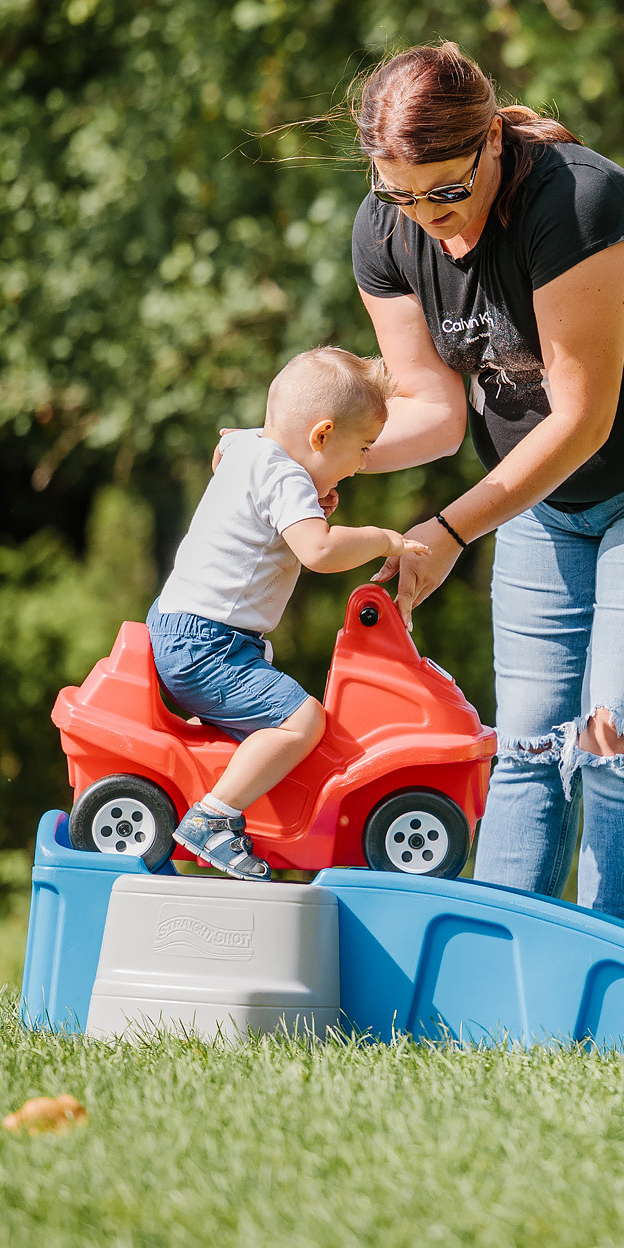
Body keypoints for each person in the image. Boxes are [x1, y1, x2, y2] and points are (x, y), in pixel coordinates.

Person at [343, 41, 624, 931]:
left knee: (615, 741)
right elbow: (435, 412)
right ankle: (504, 978)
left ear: (491, 143)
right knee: (530, 747)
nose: (430, 219)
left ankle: (608, 985)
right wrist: (311, 463)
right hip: (546, 496)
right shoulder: (385, 230)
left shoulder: (578, 204)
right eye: (402, 194)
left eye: (447, 191)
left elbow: (581, 421)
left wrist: (449, 530)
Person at [149, 347, 428, 880]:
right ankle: (212, 819)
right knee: (303, 721)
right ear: (321, 436)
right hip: (209, 646)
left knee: (276, 716)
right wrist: (381, 538)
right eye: (362, 449)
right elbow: (318, 551)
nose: (362, 464)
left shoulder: (251, 447)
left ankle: (226, 795)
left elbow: (224, 449)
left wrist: (308, 497)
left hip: (181, 626)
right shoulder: (285, 479)